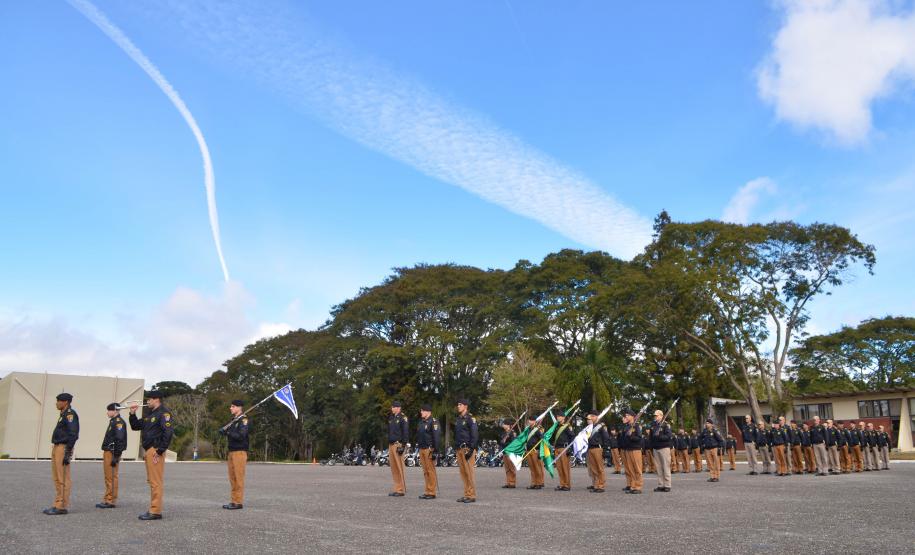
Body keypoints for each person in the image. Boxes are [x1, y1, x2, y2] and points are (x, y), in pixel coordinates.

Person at [128, 390, 175, 520]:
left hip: (155, 450)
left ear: (156, 399)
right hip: (149, 450)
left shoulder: (164, 413)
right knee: (152, 481)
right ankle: (153, 508)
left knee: (156, 481)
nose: (147, 401)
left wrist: (160, 450)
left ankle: (155, 511)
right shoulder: (151, 414)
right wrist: (132, 413)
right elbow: (136, 426)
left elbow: (168, 432)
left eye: (149, 399)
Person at [44, 392, 79, 515]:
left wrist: (68, 452)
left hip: (63, 448)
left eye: (59, 400)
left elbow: (73, 434)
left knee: (63, 477)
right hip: (57, 446)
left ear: (65, 402)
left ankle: (61, 506)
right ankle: (57, 502)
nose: (56, 403)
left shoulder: (70, 415)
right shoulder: (63, 415)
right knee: (57, 477)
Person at [96, 403, 127, 509]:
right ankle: (107, 498)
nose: (107, 412)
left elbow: (120, 439)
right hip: (108, 451)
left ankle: (111, 500)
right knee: (108, 476)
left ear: (115, 411)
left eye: (109, 410)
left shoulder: (118, 423)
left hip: (112, 452)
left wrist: (116, 456)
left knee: (112, 476)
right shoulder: (113, 421)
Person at [220, 400, 249, 509]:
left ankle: (238, 502)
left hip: (239, 451)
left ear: (239, 408)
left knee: (238, 477)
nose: (230, 408)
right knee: (232, 478)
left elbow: (241, 435)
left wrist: (227, 432)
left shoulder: (244, 420)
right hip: (232, 451)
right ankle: (233, 500)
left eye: (233, 406)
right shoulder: (234, 420)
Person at [454, 398, 479, 503]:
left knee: (469, 472)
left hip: (467, 448)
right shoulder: (459, 419)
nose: (458, 406)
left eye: (460, 404)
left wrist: (471, 448)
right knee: (463, 473)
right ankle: (466, 494)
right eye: (458, 404)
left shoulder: (471, 419)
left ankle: (472, 495)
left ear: (465, 406)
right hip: (459, 448)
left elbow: (474, 434)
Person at [416, 404, 440, 499]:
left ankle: (432, 492)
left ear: (428, 412)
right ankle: (427, 490)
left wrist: (435, 450)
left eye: (422, 411)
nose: (421, 412)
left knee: (430, 471)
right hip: (422, 449)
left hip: (429, 450)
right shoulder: (421, 422)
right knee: (425, 471)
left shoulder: (433, 422)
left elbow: (436, 437)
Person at [386, 401, 409, 497]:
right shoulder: (391, 418)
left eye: (393, 407)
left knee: (400, 467)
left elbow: (405, 432)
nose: (392, 408)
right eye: (392, 407)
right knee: (394, 468)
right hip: (391, 445)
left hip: (398, 444)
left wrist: (403, 446)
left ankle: (401, 489)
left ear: (398, 408)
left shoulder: (403, 418)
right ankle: (397, 488)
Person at [585, 409, 610, 493]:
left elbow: (606, 438)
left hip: (598, 448)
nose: (591, 418)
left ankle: (601, 486)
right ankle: (596, 485)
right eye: (590, 416)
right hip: (590, 448)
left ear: (596, 417)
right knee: (594, 468)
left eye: (592, 416)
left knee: (599, 468)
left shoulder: (601, 426)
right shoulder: (590, 427)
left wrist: (606, 450)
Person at [620, 408, 643, 494]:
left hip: (635, 449)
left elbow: (639, 438)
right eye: (626, 415)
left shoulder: (637, 426)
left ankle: (638, 487)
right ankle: (633, 486)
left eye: (627, 415)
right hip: (628, 449)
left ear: (633, 416)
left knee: (637, 469)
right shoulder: (628, 426)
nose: (626, 416)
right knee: (631, 469)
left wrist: (631, 437)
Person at [649, 409, 673, 493]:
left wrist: (659, 436)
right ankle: (661, 485)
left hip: (664, 448)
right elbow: (651, 438)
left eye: (657, 415)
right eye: (654, 415)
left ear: (661, 416)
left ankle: (667, 485)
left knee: (665, 467)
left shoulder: (666, 425)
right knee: (658, 468)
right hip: (656, 448)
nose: (655, 417)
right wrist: (651, 447)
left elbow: (669, 436)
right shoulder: (653, 425)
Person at [553, 411, 575, 491]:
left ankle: (567, 485)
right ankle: (562, 484)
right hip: (557, 448)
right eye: (557, 416)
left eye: (559, 416)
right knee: (559, 468)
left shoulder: (567, 426)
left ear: (563, 417)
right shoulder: (556, 426)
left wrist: (570, 448)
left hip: (564, 449)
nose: (558, 417)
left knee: (565, 468)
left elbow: (572, 437)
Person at [524, 415, 545, 490]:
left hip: (535, 450)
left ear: (535, 421)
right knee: (532, 468)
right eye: (529, 420)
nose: (530, 421)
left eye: (531, 420)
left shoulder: (537, 429)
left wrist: (540, 451)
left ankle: (539, 483)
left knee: (537, 467)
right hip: (528, 450)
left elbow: (542, 439)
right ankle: (533, 483)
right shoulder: (528, 429)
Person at [498, 419, 517, 488]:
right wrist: (500, 450)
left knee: (511, 468)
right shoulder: (503, 433)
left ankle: (512, 482)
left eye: (504, 424)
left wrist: (505, 444)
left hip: (510, 452)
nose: (503, 425)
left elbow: (513, 443)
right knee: (507, 468)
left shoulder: (512, 433)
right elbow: (500, 443)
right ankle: (508, 482)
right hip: (504, 452)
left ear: (508, 425)